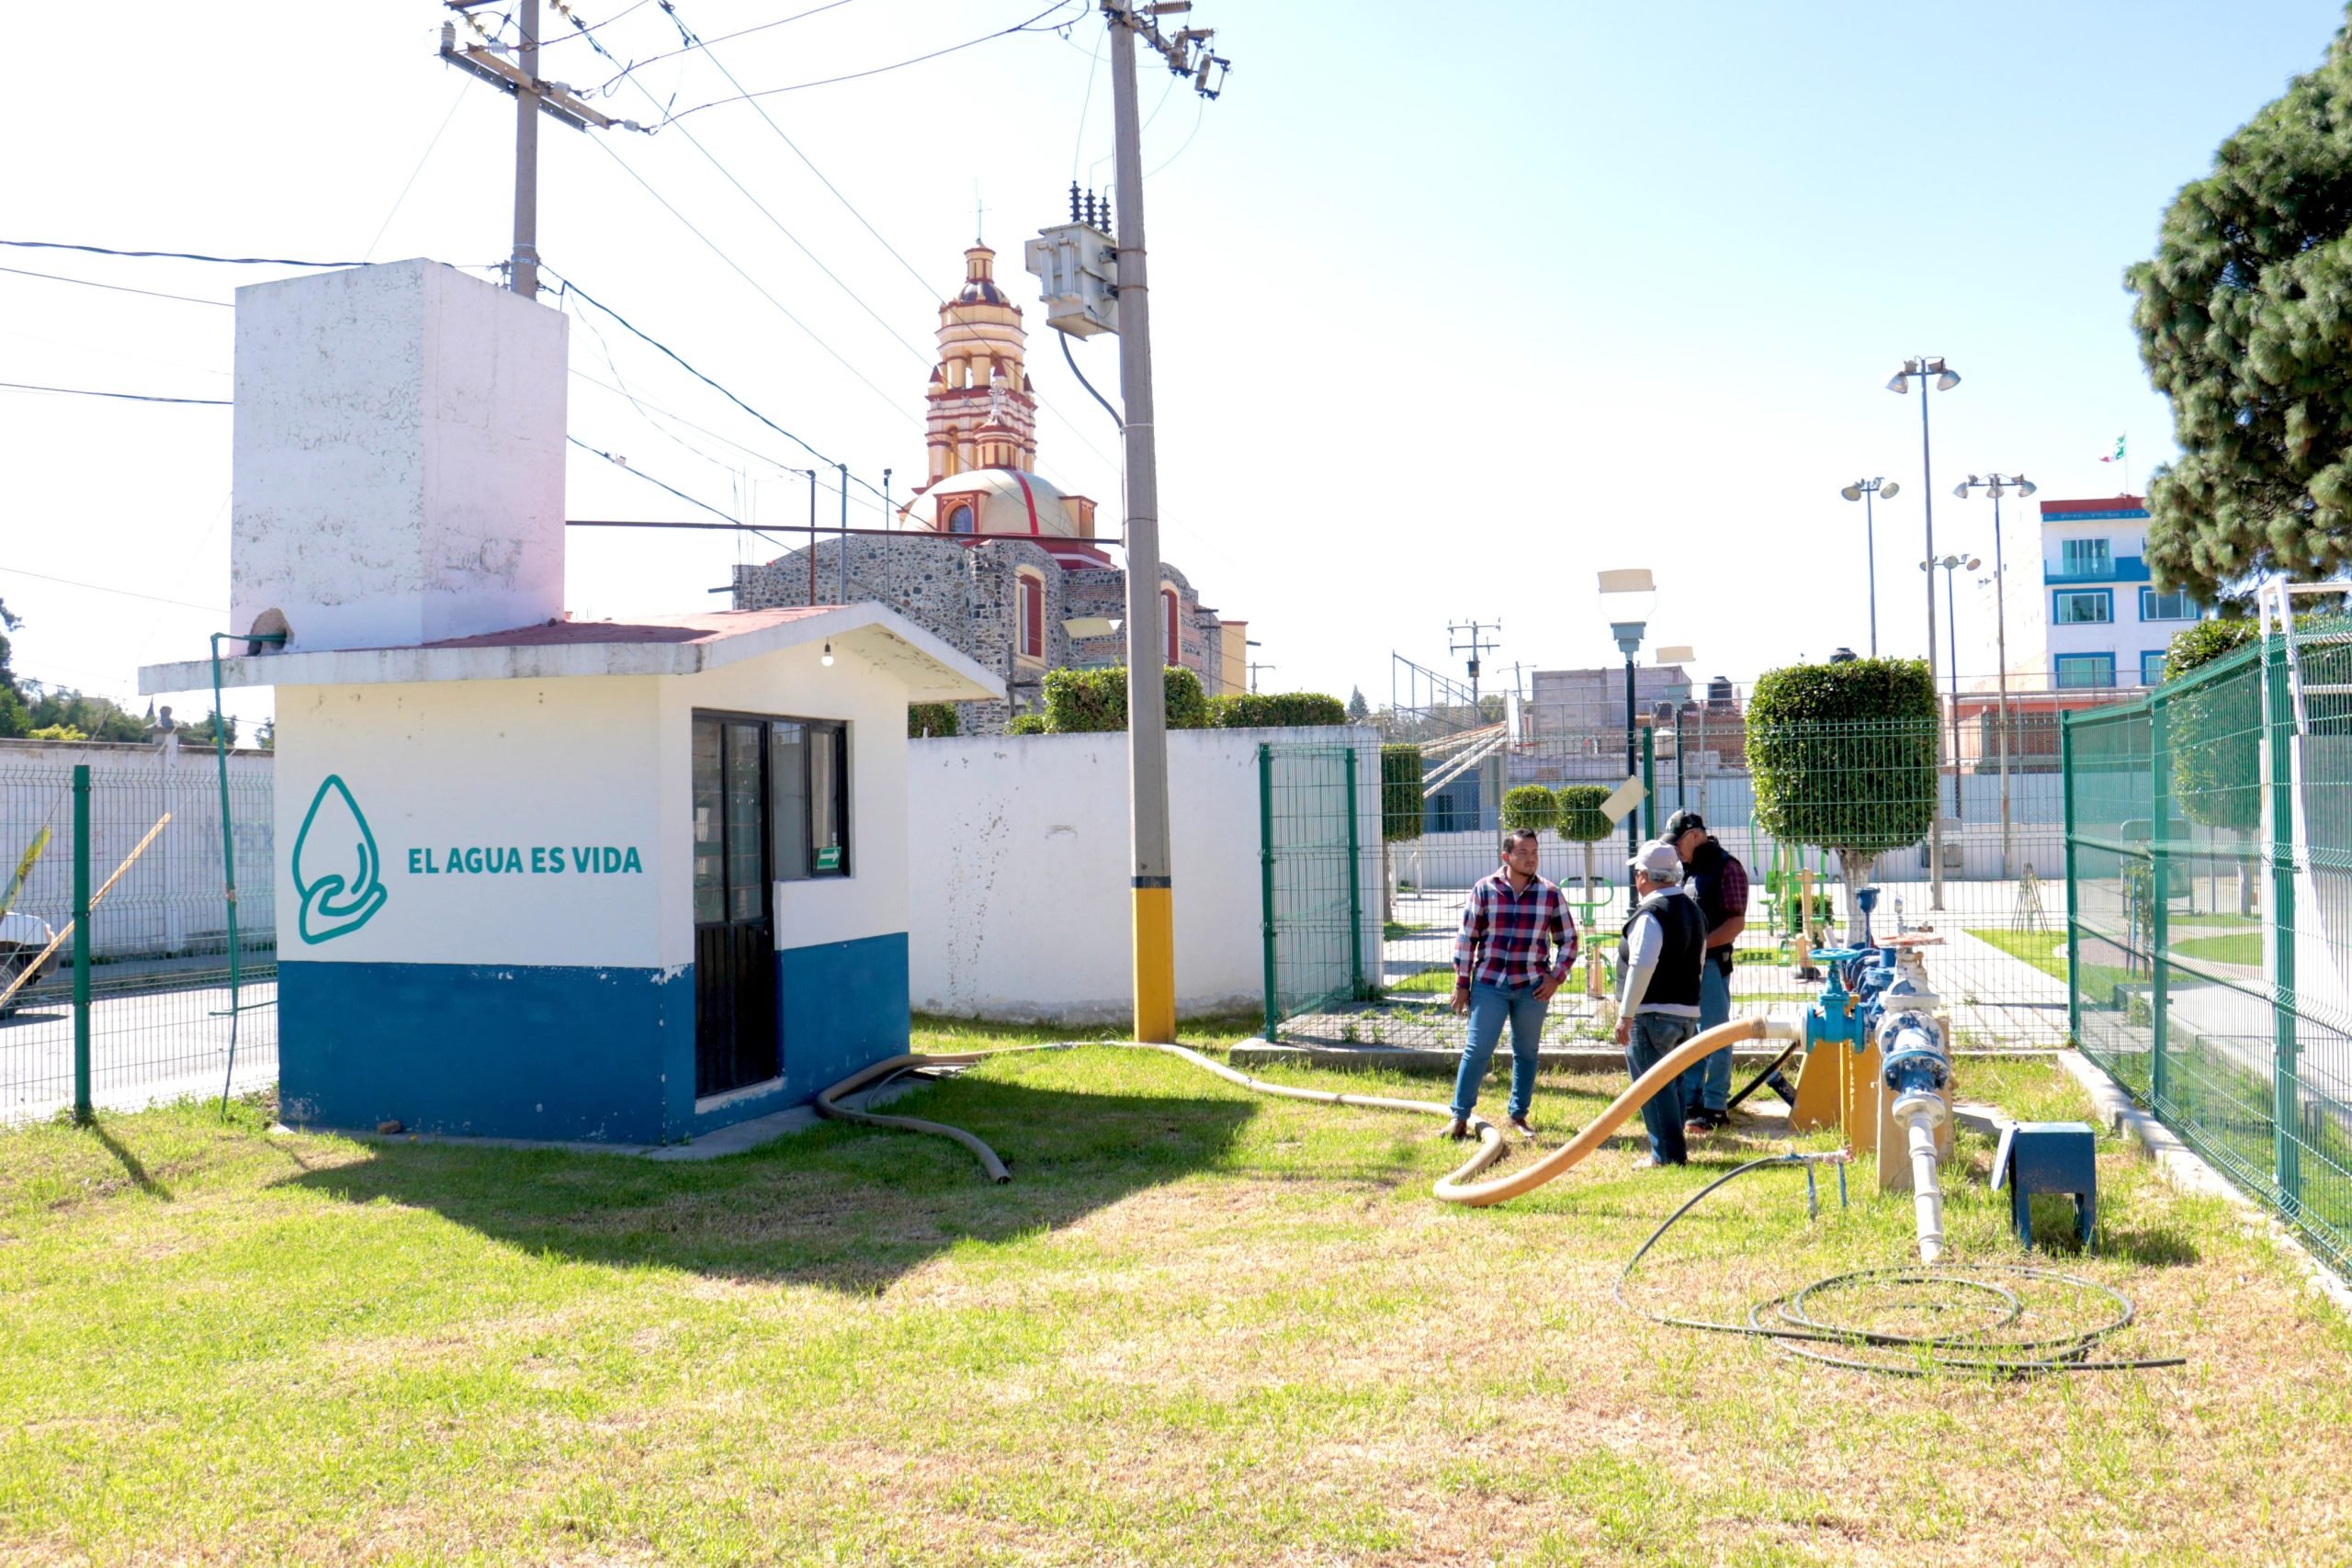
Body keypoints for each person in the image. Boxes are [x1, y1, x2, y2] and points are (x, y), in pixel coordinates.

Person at [1446, 827, 1578, 1140]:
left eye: (1534, 853)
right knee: (1477, 1049)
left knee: (1527, 1052)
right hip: (1490, 983)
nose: (1530, 859)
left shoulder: (1550, 893)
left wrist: (1555, 977)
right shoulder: (1484, 890)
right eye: (1523, 853)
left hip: (1532, 987)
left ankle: (1518, 1116)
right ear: (1506, 856)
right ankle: (1459, 1117)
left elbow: (1570, 940)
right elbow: (1467, 940)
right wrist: (1462, 983)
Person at [1614, 840, 1708, 1168]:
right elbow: (1699, 959)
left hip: (1651, 1014)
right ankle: (1673, 1149)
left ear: (1643, 875)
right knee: (1676, 1085)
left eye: (1637, 873)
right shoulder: (1693, 909)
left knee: (1653, 1087)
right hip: (1686, 1014)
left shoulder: (1651, 913)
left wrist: (1625, 1015)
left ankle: (1666, 1155)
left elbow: (1642, 965)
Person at [1664, 808, 1752, 1137]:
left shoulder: (1727, 867)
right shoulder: (1688, 869)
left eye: (1678, 843)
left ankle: (1715, 1107)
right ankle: (1691, 1102)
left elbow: (1735, 923)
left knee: (1715, 1036)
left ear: (1694, 836)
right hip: (1692, 967)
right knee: (1692, 1035)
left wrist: (1700, 949)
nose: (1675, 850)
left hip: (1712, 966)